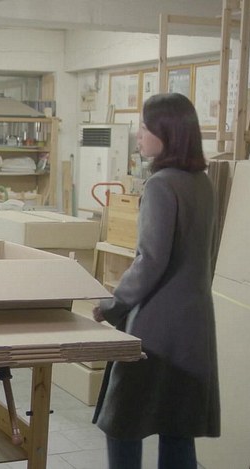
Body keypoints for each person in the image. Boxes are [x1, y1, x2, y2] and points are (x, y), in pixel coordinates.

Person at [92, 93, 220, 469]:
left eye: (145, 128)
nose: (139, 135)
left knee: (121, 420)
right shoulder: (201, 182)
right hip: (194, 324)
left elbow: (150, 261)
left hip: (157, 325)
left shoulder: (162, 184)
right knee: (177, 426)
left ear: (167, 133)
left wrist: (111, 305)